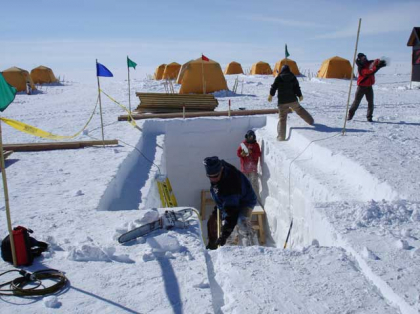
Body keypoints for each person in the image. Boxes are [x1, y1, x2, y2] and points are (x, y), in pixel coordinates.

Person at [203, 156, 258, 249]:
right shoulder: (218, 167)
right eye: (210, 177)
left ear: (221, 170)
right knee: (218, 224)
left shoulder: (231, 183)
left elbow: (231, 213)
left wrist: (225, 234)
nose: (213, 179)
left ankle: (252, 248)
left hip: (245, 201)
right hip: (227, 201)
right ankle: (228, 250)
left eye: (216, 176)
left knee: (241, 222)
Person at [268, 65, 314, 141]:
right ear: (289, 70)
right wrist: (300, 95)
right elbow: (297, 88)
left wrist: (271, 95)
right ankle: (310, 120)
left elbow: (274, 87)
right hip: (293, 100)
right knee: (300, 110)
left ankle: (281, 137)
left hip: (282, 102)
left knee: (282, 118)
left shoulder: (279, 78)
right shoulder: (293, 77)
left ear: (282, 70)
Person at [348, 53, 386, 122]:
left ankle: (369, 117)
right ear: (359, 59)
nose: (364, 59)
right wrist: (377, 67)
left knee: (371, 102)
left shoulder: (369, 63)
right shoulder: (360, 68)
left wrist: (380, 62)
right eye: (362, 58)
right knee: (356, 102)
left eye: (365, 57)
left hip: (369, 87)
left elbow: (375, 62)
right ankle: (350, 115)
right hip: (361, 87)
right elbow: (369, 72)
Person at [237, 130, 261, 198]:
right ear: (246, 136)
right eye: (249, 136)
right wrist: (242, 154)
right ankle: (244, 198)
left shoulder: (256, 145)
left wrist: (251, 153)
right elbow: (238, 153)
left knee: (254, 183)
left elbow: (258, 154)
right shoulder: (243, 144)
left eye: (252, 136)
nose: (250, 138)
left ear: (254, 137)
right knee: (244, 184)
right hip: (244, 168)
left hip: (252, 168)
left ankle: (255, 197)